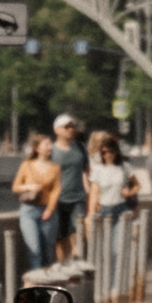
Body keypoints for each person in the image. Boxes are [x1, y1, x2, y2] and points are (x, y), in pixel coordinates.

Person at [11, 128, 63, 268]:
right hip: (29, 211)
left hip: (48, 212)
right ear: (37, 148)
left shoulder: (55, 167)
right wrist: (29, 187)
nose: (50, 147)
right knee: (34, 250)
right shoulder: (27, 165)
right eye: (46, 144)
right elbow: (16, 186)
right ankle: (37, 284)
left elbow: (56, 190)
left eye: (50, 144)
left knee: (47, 251)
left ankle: (45, 283)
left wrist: (50, 210)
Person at [48, 112, 89, 261]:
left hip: (77, 197)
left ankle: (76, 263)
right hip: (58, 199)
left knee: (78, 232)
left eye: (72, 126)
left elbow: (86, 170)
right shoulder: (51, 151)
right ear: (57, 130)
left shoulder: (79, 148)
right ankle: (62, 264)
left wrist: (89, 192)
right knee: (60, 236)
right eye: (67, 127)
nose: (71, 129)